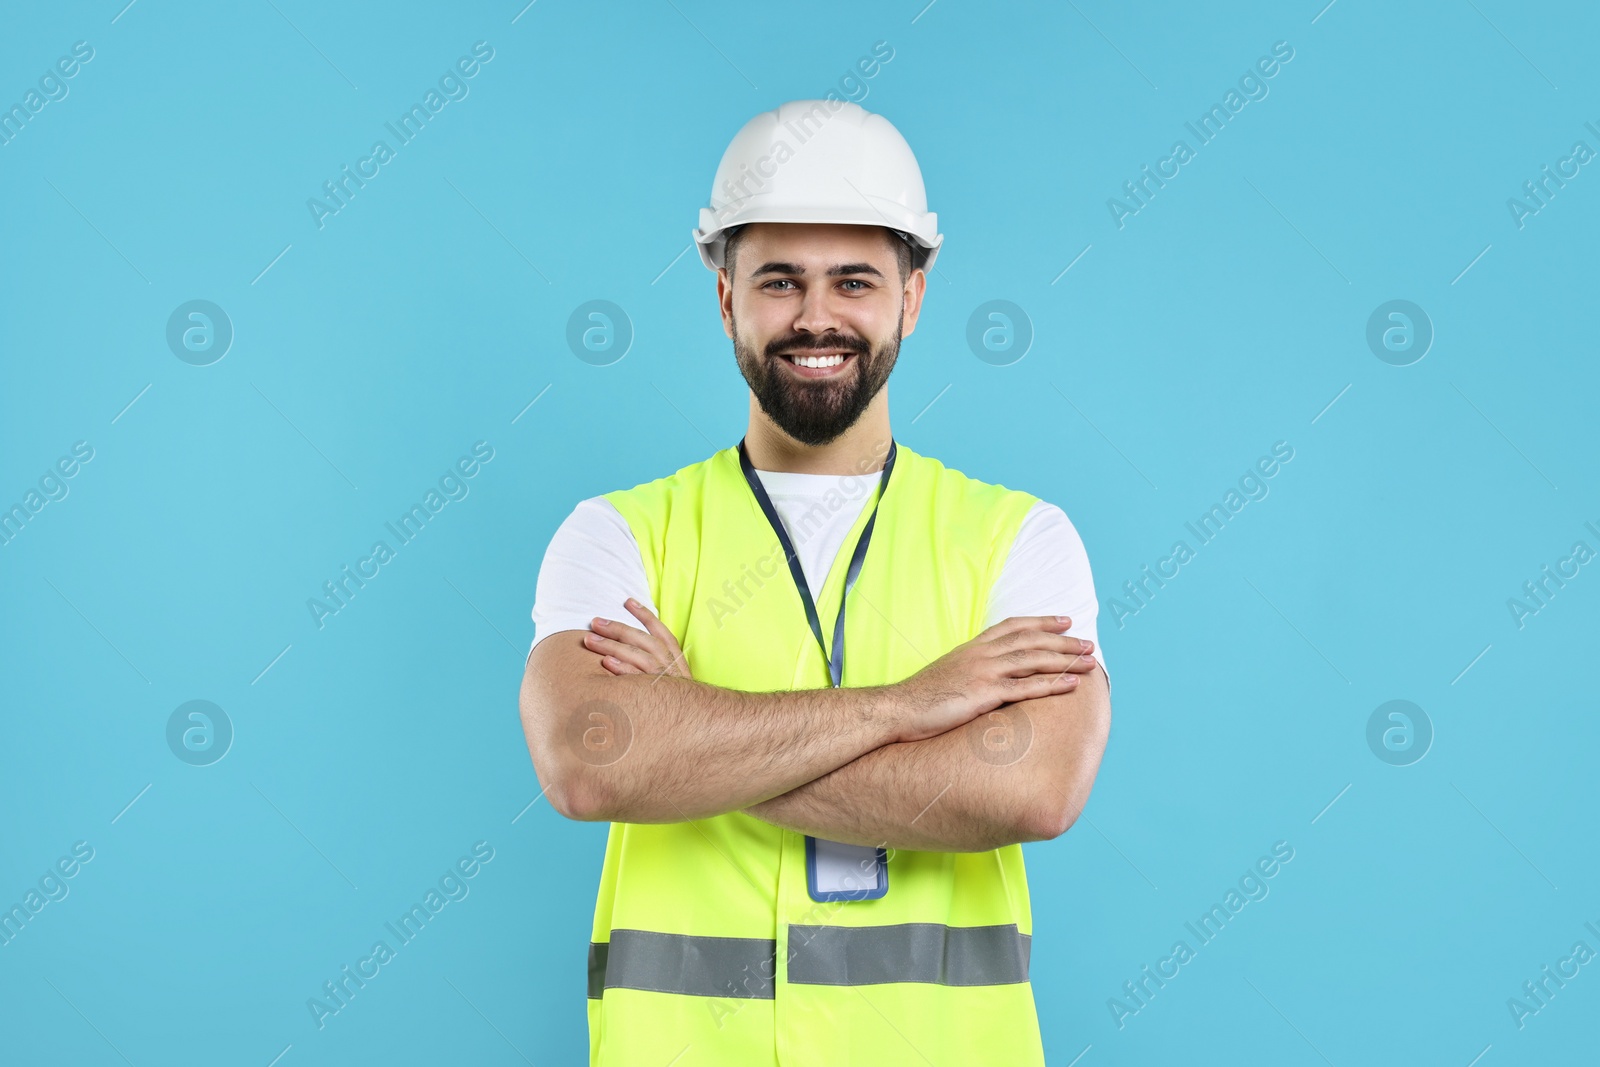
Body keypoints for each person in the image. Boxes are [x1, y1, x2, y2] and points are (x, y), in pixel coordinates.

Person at [518, 99, 1112, 1067]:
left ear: (913, 297)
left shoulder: (1019, 540)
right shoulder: (619, 535)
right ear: (724, 298)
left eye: (854, 281)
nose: (816, 317)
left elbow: (1032, 791)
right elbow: (591, 758)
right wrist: (911, 706)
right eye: (779, 281)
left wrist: (690, 739)